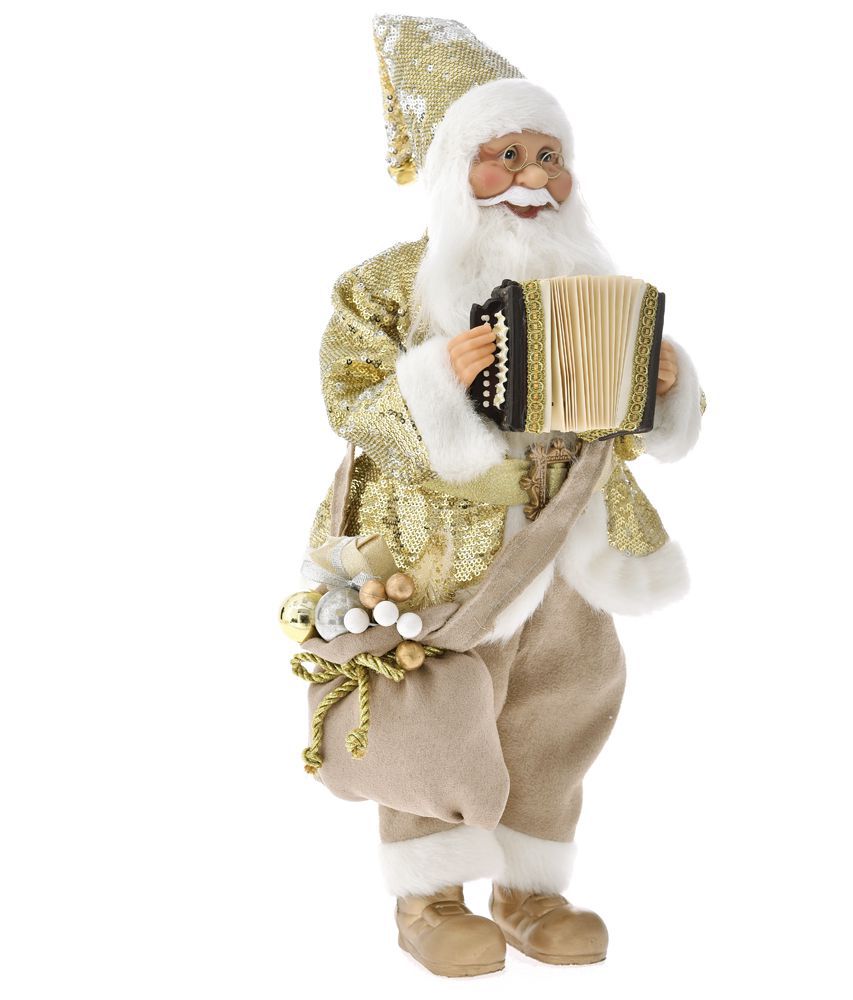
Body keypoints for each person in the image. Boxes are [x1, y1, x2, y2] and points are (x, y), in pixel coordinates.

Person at [303, 15, 706, 977]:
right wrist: (433, 380)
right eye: (505, 155)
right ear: (455, 169)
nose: (532, 176)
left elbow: (615, 423)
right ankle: (430, 894)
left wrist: (660, 389)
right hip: (445, 552)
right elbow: (351, 398)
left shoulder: (590, 282)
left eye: (548, 156)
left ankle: (531, 889)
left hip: (570, 538)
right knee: (436, 711)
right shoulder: (387, 284)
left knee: (563, 701)